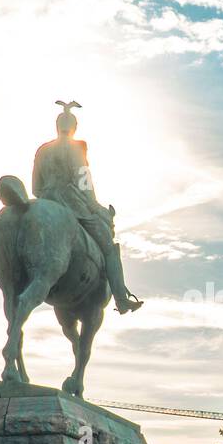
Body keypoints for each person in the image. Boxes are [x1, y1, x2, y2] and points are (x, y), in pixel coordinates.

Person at [31, 100, 143, 314]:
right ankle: (121, 298)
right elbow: (84, 181)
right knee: (110, 249)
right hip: (73, 204)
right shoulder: (77, 147)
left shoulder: (42, 151)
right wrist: (96, 207)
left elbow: (35, 187)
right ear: (74, 128)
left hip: (45, 200)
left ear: (57, 126)